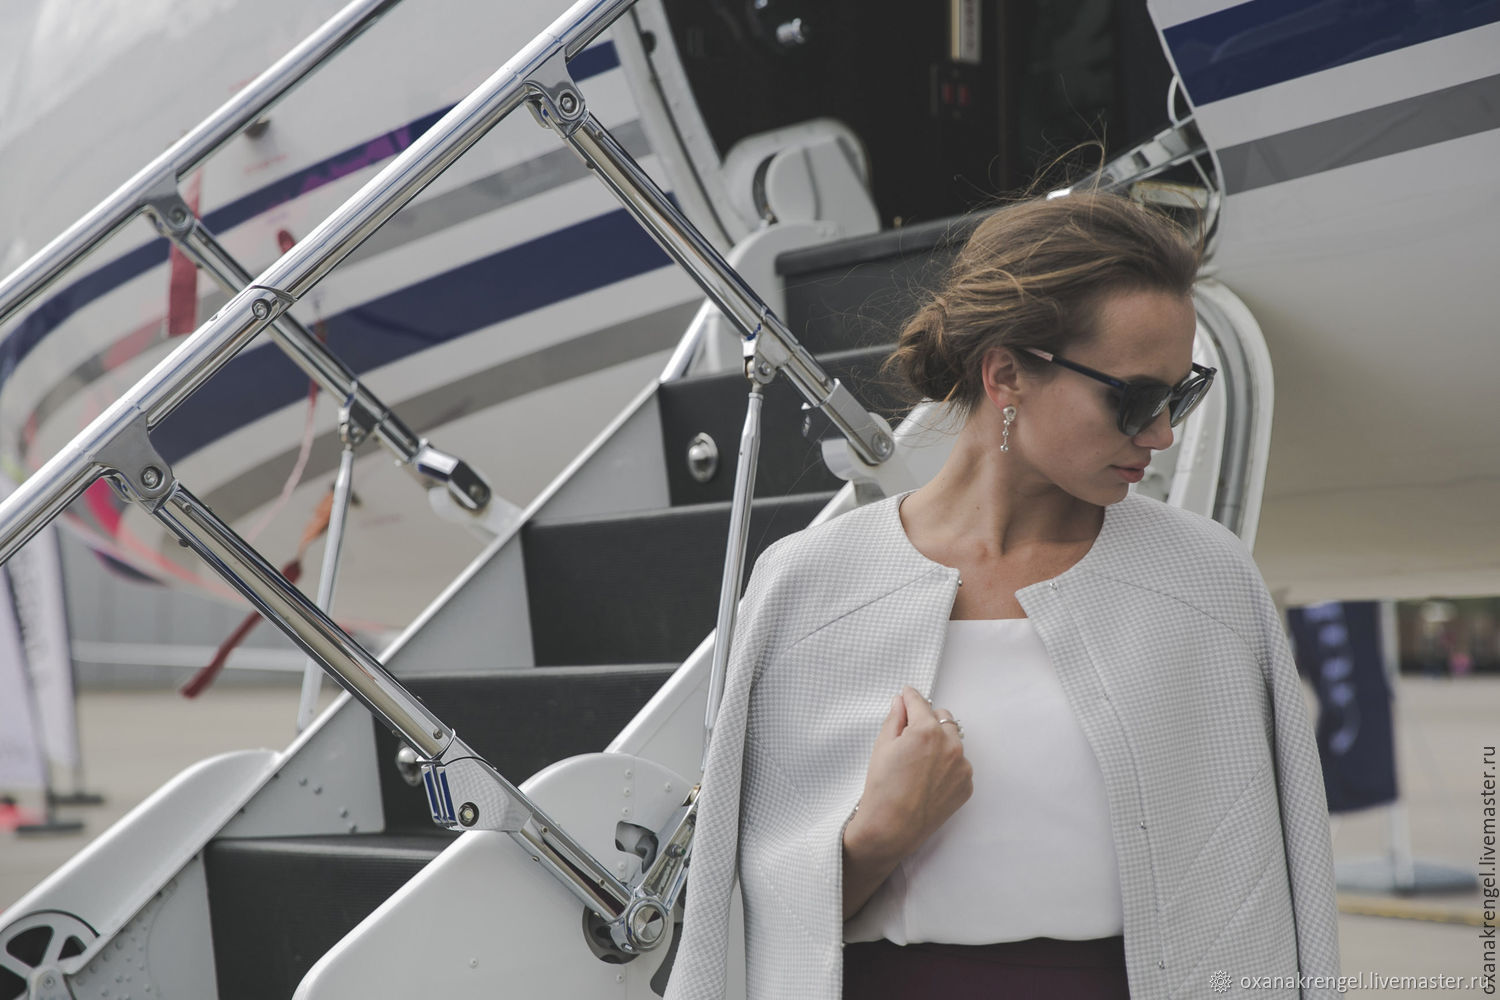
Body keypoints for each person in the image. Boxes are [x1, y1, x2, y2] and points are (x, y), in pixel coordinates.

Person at [665, 190, 1341, 999]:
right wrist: (876, 838)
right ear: (1007, 373)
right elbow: (739, 935)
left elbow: (1266, 895)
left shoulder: (1205, 584)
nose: (1163, 433)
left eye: (1181, 394)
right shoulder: (807, 589)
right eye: (1135, 399)